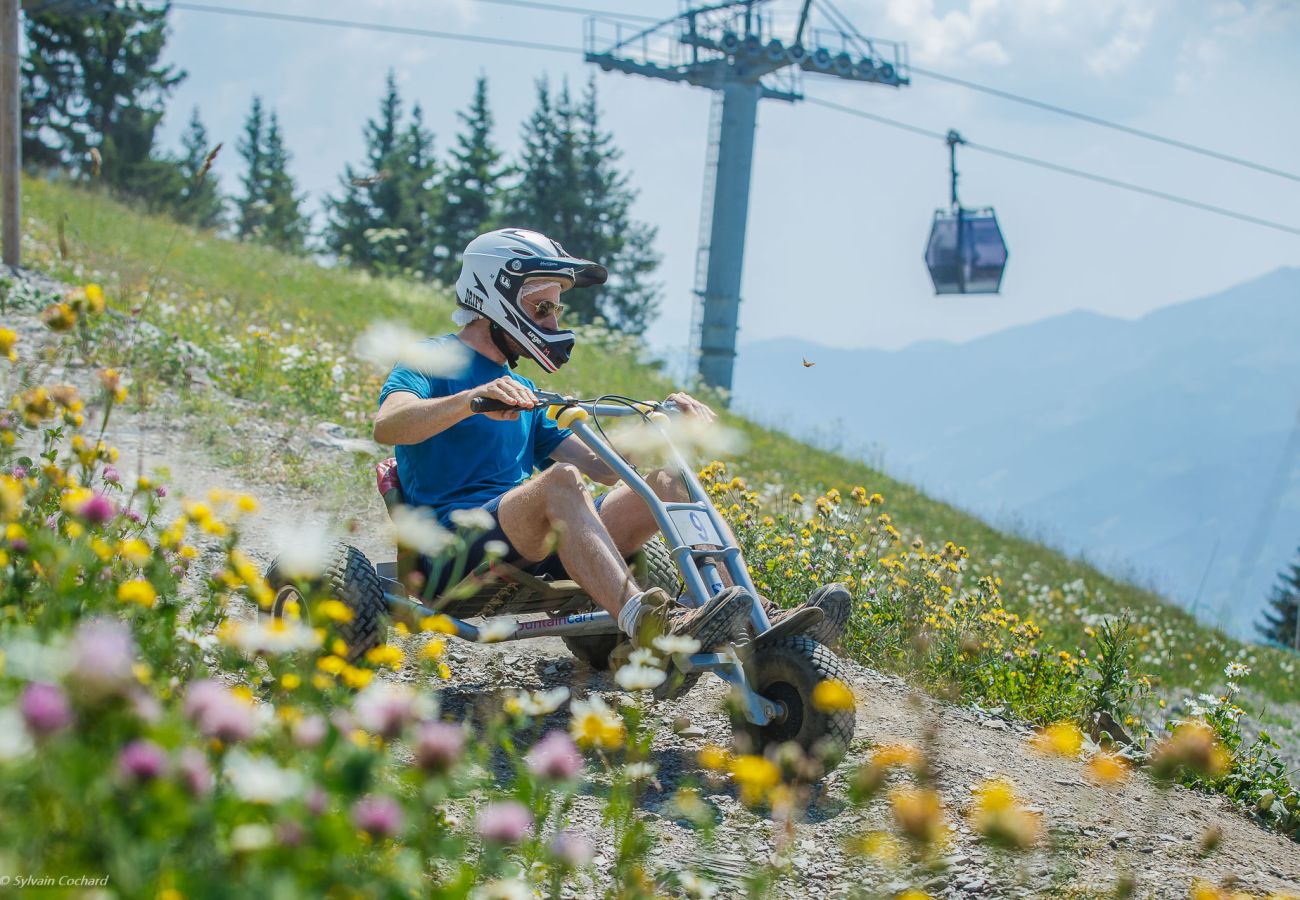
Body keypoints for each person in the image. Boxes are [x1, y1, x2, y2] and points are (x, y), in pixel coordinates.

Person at [373, 227, 850, 653]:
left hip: (527, 543)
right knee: (560, 482)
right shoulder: (432, 360)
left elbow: (600, 467)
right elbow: (388, 426)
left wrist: (664, 428)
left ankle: (757, 617)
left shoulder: (520, 390)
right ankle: (645, 621)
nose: (553, 322)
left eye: (556, 309)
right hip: (455, 550)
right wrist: (470, 399)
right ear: (494, 294)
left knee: (667, 478)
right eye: (542, 307)